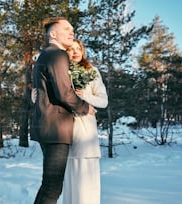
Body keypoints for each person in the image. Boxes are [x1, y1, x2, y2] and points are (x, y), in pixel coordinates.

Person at [31, 17, 96, 204]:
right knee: (52, 187)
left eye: (72, 30)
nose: (71, 32)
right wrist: (85, 107)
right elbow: (64, 93)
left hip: (47, 126)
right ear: (53, 34)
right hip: (55, 129)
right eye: (66, 29)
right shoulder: (58, 55)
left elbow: (45, 90)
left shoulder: (45, 55)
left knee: (49, 185)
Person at [62, 39, 108, 204]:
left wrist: (84, 96)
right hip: (64, 134)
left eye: (78, 48)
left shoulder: (91, 71)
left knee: (86, 186)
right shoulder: (61, 72)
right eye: (70, 49)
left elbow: (103, 101)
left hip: (85, 134)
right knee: (69, 186)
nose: (75, 52)